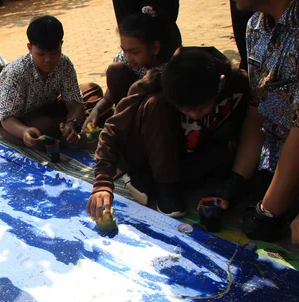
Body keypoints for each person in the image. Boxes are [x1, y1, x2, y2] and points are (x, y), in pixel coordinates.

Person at [88, 47, 250, 220]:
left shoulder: (238, 84)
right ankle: (165, 183)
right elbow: (113, 128)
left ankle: (147, 178)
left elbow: (247, 135)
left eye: (202, 107)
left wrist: (230, 188)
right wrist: (102, 184)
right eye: (184, 109)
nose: (194, 115)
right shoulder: (154, 81)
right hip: (159, 150)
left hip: (194, 152)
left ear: (220, 84)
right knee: (155, 103)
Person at [202, 0, 299, 243]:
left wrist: (268, 211)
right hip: (280, 156)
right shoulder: (256, 27)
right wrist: (235, 183)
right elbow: (258, 109)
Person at [0, 15, 102, 149]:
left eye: (54, 53)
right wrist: (24, 132)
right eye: (41, 54)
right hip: (14, 119)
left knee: (93, 90)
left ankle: (65, 130)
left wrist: (72, 124)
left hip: (47, 105)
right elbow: (7, 118)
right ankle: (63, 131)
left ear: (61, 44)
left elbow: (74, 102)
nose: (48, 60)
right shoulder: (15, 73)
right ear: (30, 48)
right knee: (43, 130)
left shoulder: (64, 63)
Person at [84, 6, 180, 132]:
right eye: (124, 50)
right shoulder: (123, 59)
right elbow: (108, 98)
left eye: (134, 52)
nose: (128, 58)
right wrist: (96, 111)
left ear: (155, 48)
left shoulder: (169, 66)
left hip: (158, 122)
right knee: (115, 70)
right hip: (130, 117)